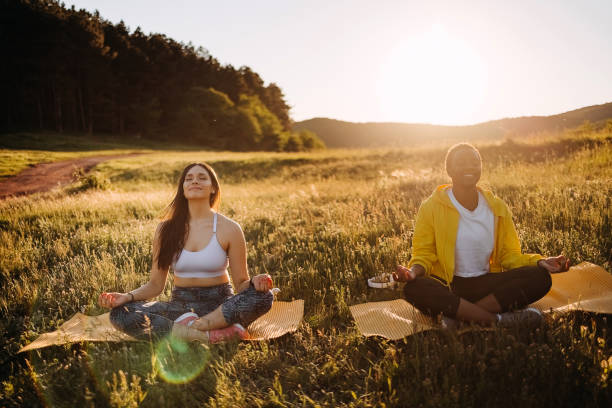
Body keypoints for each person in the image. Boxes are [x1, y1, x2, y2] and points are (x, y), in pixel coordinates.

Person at [393, 143, 570, 327]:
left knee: (540, 277)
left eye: (474, 162)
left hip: (487, 286)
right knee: (414, 289)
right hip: (450, 287)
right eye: (461, 162)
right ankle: (498, 321)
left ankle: (461, 317)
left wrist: (541, 261)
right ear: (449, 170)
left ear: (480, 168)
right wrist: (412, 272)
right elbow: (424, 254)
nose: (469, 167)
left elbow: (509, 255)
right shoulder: (431, 207)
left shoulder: (496, 207)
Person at [98, 162, 274, 343]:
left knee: (265, 297)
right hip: (180, 307)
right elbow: (156, 285)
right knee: (120, 314)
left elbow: (241, 284)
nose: (194, 181)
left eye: (202, 178)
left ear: (213, 188)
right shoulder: (165, 229)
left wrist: (254, 283)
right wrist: (126, 297)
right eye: (188, 179)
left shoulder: (229, 228)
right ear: (183, 188)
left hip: (221, 306)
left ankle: (198, 328)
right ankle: (213, 333)